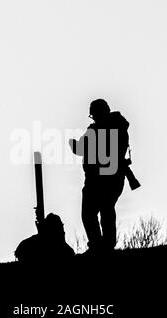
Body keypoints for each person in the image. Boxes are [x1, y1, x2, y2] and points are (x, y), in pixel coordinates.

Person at [69, 99, 130, 252]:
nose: (93, 118)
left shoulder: (95, 129)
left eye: (93, 114)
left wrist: (71, 143)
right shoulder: (120, 126)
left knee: (90, 214)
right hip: (114, 177)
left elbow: (79, 149)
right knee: (106, 210)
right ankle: (105, 246)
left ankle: (99, 246)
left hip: (97, 179)